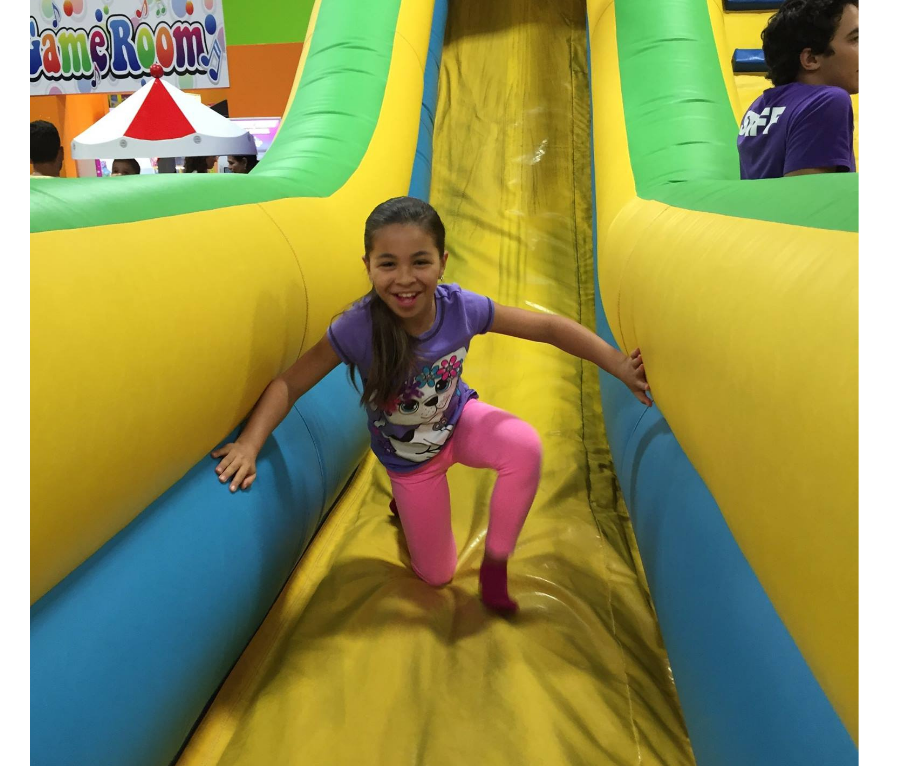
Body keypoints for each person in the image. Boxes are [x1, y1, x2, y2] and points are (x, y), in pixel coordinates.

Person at [212, 197, 650, 613]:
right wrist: (250, 444)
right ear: (368, 267)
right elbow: (290, 383)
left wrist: (618, 365)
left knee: (524, 446)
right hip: (410, 460)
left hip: (457, 420)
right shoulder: (356, 328)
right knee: (438, 576)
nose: (405, 278)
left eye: (420, 261)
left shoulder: (461, 308)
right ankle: (403, 508)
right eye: (388, 264)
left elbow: (548, 327)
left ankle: (495, 567)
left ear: (442, 261)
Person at [737, 0, 858, 179]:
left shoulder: (757, 108)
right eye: (856, 38)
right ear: (811, 59)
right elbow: (808, 202)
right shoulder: (828, 101)